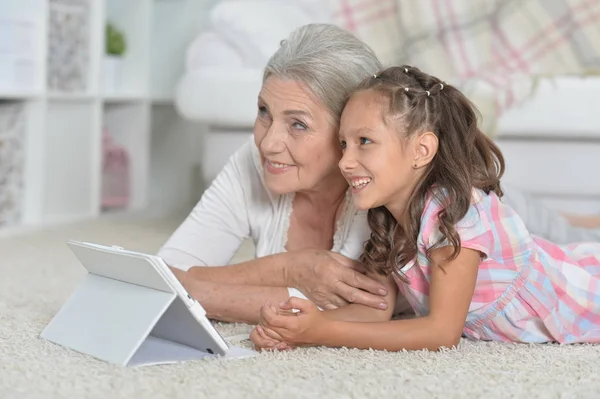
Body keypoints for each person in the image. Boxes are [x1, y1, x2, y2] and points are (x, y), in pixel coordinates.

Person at [161, 23, 600, 326]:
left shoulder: (374, 185)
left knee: (576, 248)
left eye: (298, 124)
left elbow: (368, 308)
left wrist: (192, 285)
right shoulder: (253, 161)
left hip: (503, 228)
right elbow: (160, 274)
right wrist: (293, 268)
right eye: (263, 112)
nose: (268, 142)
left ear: (350, 132)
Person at [250, 65, 600, 351]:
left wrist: (319, 333)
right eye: (343, 144)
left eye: (364, 142)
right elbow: (377, 310)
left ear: (421, 150)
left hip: (583, 297)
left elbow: (440, 333)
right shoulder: (385, 214)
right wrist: (301, 324)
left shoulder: (455, 215)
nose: (345, 161)